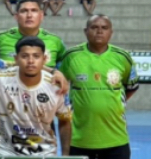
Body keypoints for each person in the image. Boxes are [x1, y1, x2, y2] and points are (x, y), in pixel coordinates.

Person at [59, 14, 139, 159]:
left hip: (116, 140)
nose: (99, 31)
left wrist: (112, 104)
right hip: (78, 141)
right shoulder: (71, 56)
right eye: (94, 27)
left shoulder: (123, 57)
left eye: (104, 28)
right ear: (85, 31)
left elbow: (131, 87)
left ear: (111, 32)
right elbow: (58, 85)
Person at [0, 37, 73, 156]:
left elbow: (65, 121)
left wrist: (65, 155)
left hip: (45, 152)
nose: (31, 61)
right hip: (7, 151)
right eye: (24, 56)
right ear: (16, 59)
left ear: (44, 59)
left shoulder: (56, 86)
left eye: (36, 56)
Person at [0, 0, 67, 65]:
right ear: (16, 16)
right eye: (24, 11)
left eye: (34, 11)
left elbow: (65, 65)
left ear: (41, 16)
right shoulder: (0, 38)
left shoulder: (55, 41)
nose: (29, 15)